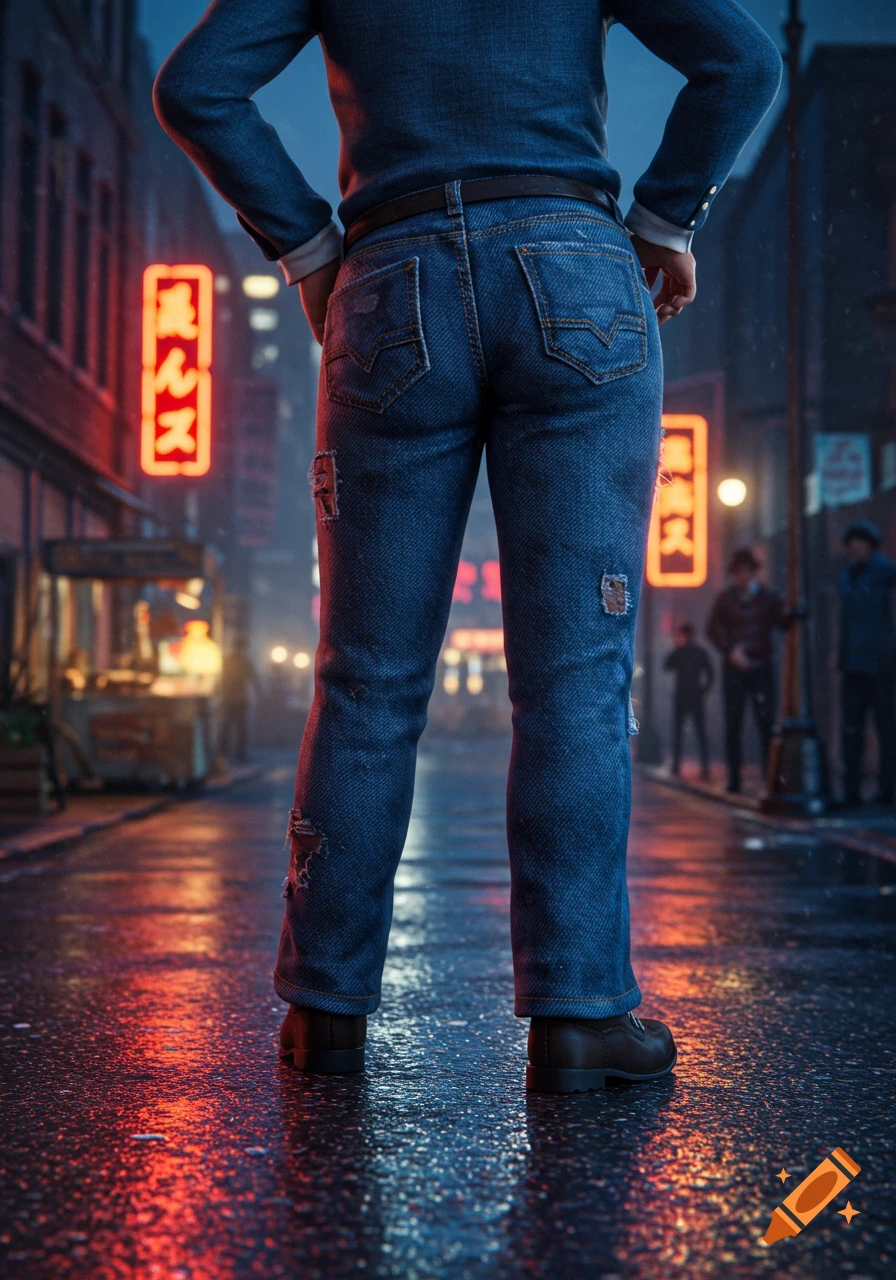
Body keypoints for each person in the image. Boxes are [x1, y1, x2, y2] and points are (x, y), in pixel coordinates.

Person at [154, 0, 781, 1092]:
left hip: (390, 284)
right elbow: (739, 59)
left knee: (364, 679)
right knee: (575, 680)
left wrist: (307, 247)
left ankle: (323, 1010)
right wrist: (665, 218)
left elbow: (197, 86)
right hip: (573, 265)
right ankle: (580, 1013)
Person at [707, 549, 786, 794]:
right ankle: (734, 778)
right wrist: (730, 651)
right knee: (734, 724)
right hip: (734, 670)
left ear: (753, 572)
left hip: (761, 667)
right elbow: (712, 629)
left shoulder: (769, 598)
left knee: (766, 724)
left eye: (747, 571)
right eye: (739, 572)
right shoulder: (725, 599)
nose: (743, 576)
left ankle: (769, 776)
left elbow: (783, 623)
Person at [838, 521, 896, 807]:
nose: (854, 549)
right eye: (852, 544)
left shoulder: (886, 573)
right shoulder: (848, 576)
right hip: (854, 664)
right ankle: (852, 790)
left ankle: (887, 790)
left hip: (882, 664)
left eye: (859, 544)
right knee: (852, 730)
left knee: (886, 729)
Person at [663, 622, 714, 780]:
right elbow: (711, 673)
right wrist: (704, 690)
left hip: (684, 696)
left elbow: (666, 666)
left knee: (682, 732)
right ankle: (701, 766)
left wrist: (704, 690)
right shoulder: (697, 652)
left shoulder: (682, 651)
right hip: (693, 696)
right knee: (697, 733)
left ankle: (680, 766)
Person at [219, 638, 260, 763]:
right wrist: (260, 693)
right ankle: (239, 753)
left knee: (228, 725)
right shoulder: (245, 662)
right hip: (240, 698)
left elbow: (221, 679)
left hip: (229, 698)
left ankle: (225, 751)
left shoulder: (228, 661)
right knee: (241, 726)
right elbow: (254, 679)